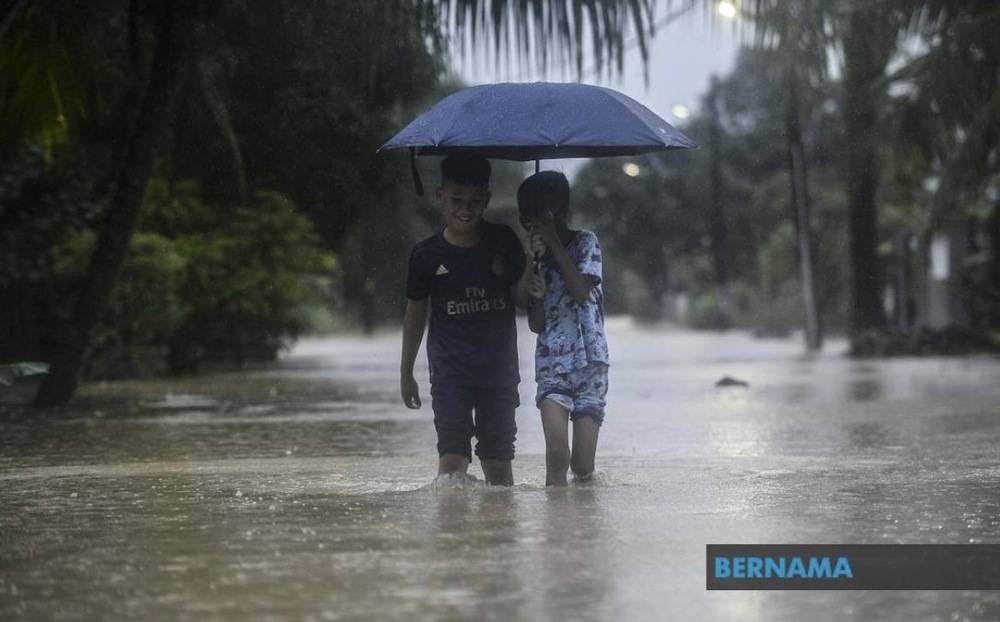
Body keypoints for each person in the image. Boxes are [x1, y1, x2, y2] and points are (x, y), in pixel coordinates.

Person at [400, 154, 534, 486]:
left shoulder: (504, 242)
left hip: (499, 372)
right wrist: (406, 373)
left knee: (498, 463)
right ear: (439, 196)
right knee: (451, 462)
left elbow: (521, 301)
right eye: (457, 199)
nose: (466, 208)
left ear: (486, 199)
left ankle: (499, 534)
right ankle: (454, 537)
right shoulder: (426, 255)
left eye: (475, 201)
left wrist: (533, 262)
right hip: (450, 372)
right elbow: (415, 315)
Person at [518, 171, 609, 486]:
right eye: (530, 222)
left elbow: (581, 292)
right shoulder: (536, 260)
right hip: (552, 365)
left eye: (543, 217)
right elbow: (535, 324)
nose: (538, 227)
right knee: (557, 455)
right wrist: (533, 272)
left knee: (582, 466)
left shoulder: (586, 242)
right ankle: (556, 527)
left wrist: (555, 244)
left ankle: (583, 519)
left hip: (590, 365)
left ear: (561, 210)